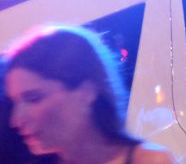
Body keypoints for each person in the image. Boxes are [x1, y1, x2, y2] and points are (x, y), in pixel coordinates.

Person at [3, 26, 176, 163]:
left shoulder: (149, 161)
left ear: (86, 92)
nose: (16, 120)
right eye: (14, 102)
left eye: (34, 98)